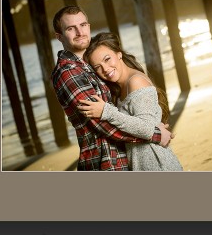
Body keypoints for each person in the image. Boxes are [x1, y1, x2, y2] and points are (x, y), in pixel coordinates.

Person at [50, 5, 172, 171]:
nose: (80, 32)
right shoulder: (68, 72)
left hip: (122, 158)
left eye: (83, 25)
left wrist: (151, 126)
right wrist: (155, 134)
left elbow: (124, 110)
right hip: (104, 161)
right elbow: (100, 123)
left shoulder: (88, 65)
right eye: (71, 28)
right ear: (59, 36)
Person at [77, 32, 183, 171]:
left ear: (119, 54)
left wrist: (106, 112)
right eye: (97, 67)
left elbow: (147, 129)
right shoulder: (120, 86)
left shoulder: (136, 81)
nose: (105, 68)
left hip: (156, 164)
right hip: (143, 163)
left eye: (107, 59)